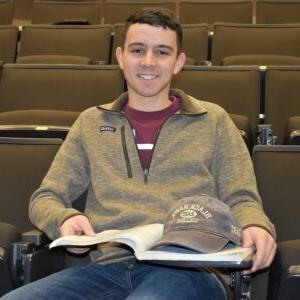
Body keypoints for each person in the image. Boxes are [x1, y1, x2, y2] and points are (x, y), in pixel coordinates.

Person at [2, 8, 276, 300]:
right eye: (137, 50)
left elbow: (242, 197)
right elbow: (45, 198)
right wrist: (65, 219)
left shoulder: (214, 120)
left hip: (192, 270)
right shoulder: (91, 123)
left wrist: (255, 224)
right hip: (107, 268)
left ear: (178, 62)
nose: (148, 62)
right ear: (120, 57)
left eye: (161, 52)